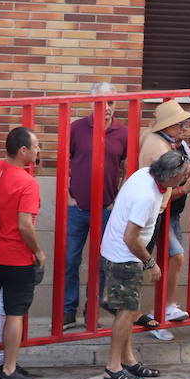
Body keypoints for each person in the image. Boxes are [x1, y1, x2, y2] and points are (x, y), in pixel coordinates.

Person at [99, 150, 190, 379]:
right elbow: (131, 237)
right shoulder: (147, 196)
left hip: (116, 252)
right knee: (126, 311)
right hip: (125, 257)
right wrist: (150, 263)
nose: (185, 179)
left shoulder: (145, 175)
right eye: (184, 176)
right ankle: (113, 366)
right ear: (172, 177)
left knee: (128, 309)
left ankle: (128, 360)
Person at [136, 99, 190, 339]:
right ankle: (161, 312)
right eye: (179, 124)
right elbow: (164, 185)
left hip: (167, 212)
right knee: (174, 257)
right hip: (159, 213)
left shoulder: (162, 141)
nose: (183, 129)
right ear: (167, 126)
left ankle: (165, 308)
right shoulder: (157, 146)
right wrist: (186, 187)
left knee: (172, 260)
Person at [60, 83, 129, 331]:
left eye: (111, 103)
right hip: (77, 208)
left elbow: (126, 167)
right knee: (70, 260)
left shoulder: (123, 132)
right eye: (101, 102)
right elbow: (63, 161)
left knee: (102, 264)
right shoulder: (77, 128)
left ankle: (92, 312)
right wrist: (69, 196)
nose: (107, 108)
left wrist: (118, 199)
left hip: (106, 209)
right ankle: (68, 312)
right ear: (91, 102)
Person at [0, 127, 45, 379]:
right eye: (36, 146)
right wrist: (38, 251)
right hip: (17, 257)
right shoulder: (28, 183)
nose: (39, 151)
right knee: (15, 313)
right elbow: (24, 225)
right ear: (23, 151)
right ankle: (8, 370)